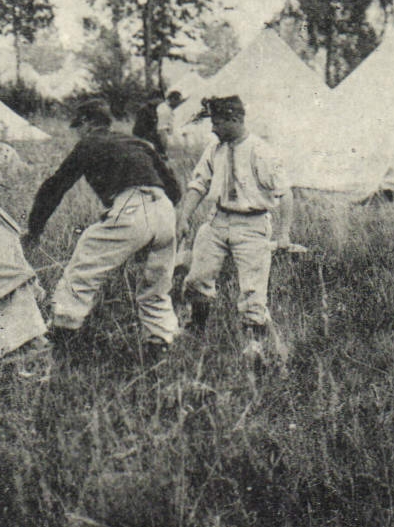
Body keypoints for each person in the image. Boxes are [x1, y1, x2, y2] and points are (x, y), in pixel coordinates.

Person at [21, 98, 182, 355]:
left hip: (130, 206)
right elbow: (174, 189)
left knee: (82, 271)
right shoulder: (138, 142)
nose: (79, 132)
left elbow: (55, 187)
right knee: (156, 286)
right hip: (164, 209)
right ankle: (159, 343)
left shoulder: (89, 143)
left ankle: (61, 339)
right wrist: (153, 227)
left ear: (87, 123)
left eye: (79, 126)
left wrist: (35, 230)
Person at [175, 95, 293, 365]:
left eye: (217, 122)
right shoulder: (215, 149)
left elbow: (285, 193)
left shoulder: (261, 151)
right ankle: (196, 329)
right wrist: (184, 218)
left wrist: (284, 234)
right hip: (217, 221)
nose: (213, 128)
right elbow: (198, 184)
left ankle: (255, 346)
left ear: (235, 119)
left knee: (253, 290)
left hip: (251, 225)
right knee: (196, 279)